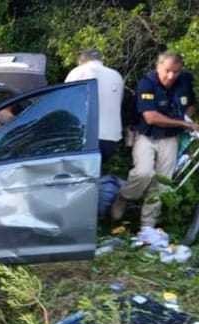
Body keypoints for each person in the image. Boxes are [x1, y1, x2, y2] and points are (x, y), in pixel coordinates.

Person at [111, 52, 199, 226]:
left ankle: (147, 227)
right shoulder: (147, 83)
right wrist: (184, 123)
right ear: (158, 67)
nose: (171, 76)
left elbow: (190, 104)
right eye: (167, 71)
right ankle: (124, 197)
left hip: (171, 137)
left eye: (176, 72)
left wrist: (187, 117)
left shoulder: (184, 80)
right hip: (146, 135)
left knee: (162, 182)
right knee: (143, 172)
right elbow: (151, 117)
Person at [65, 49, 124, 163]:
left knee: (80, 171)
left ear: (81, 61)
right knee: (97, 170)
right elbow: (118, 103)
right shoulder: (116, 75)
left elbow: (67, 103)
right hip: (110, 137)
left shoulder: (77, 73)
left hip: (84, 136)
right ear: (101, 60)